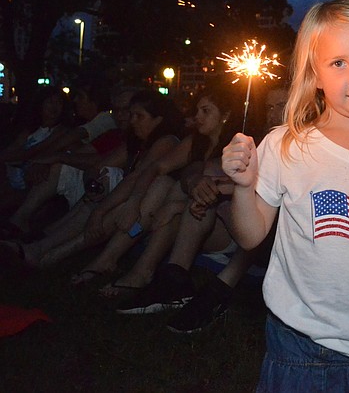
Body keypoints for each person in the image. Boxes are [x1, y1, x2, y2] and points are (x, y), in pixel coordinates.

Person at [221, 0, 349, 392]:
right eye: (339, 63)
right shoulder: (285, 146)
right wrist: (243, 188)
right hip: (296, 346)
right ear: (314, 74)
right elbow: (249, 236)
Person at [70, 84, 240, 287]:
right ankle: (114, 261)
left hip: (222, 229)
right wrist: (135, 202)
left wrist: (173, 206)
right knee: (161, 183)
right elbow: (154, 169)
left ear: (225, 115)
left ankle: (133, 268)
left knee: (173, 193)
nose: (198, 116)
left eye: (206, 111)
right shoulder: (195, 142)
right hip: (187, 216)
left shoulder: (238, 147)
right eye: (196, 110)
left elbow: (229, 195)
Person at [2, 90, 183, 269]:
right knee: (101, 182)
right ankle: (40, 244)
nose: (131, 120)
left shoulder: (166, 142)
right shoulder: (134, 142)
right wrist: (93, 185)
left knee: (108, 183)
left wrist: (99, 209)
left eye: (138, 116)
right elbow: (99, 166)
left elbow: (138, 176)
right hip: (123, 201)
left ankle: (45, 251)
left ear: (158, 120)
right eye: (130, 114)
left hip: (145, 211)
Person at [1, 87, 135, 238]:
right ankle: (27, 224)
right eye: (116, 110)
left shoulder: (106, 123)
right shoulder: (113, 134)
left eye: (80, 96)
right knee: (60, 166)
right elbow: (79, 153)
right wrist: (49, 160)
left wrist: (55, 157)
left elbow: (101, 161)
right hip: (90, 185)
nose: (119, 115)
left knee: (106, 173)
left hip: (119, 197)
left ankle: (44, 238)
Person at [0, 86, 73, 215]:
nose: (54, 106)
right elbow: (12, 150)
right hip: (10, 178)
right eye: (50, 102)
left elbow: (36, 151)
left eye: (59, 102)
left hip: (31, 183)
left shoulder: (62, 131)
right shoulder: (30, 131)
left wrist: (16, 157)